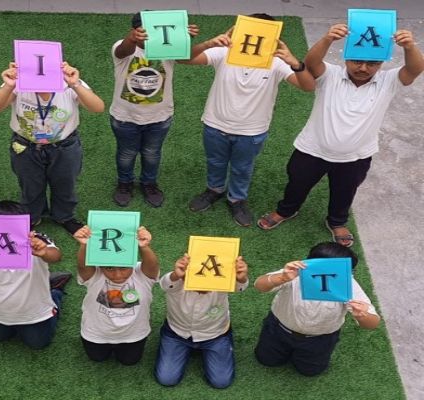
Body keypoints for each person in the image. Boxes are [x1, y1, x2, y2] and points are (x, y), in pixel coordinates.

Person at [257, 25, 424, 247]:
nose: (363, 68)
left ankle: (337, 221)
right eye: (356, 61)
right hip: (311, 149)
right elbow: (311, 63)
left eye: (372, 64)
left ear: (381, 64)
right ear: (346, 58)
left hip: (356, 157)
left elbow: (414, 69)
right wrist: (327, 39)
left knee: (345, 192)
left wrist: (409, 46)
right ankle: (286, 210)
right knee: (297, 183)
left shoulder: (388, 81)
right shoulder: (330, 74)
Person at [184, 15, 314, 227]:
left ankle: (237, 199)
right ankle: (214, 190)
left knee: (242, 168)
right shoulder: (223, 53)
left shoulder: (277, 63)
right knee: (215, 162)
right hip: (215, 125)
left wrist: (295, 63)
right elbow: (184, 59)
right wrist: (208, 43)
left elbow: (308, 86)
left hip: (252, 132)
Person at [0, 61, 105, 235]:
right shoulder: (18, 84)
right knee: (30, 185)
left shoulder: (68, 83)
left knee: (65, 184)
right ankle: (32, 216)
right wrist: (9, 86)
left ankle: (64, 216)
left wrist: (75, 84)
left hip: (65, 146)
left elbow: (98, 107)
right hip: (26, 147)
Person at [109, 13, 198, 207]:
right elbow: (123, 51)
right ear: (134, 31)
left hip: (160, 117)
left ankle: (149, 183)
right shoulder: (122, 46)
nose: (149, 35)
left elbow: (189, 58)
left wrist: (185, 40)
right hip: (125, 117)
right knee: (126, 153)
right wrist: (132, 39)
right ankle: (124, 183)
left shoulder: (169, 48)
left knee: (152, 153)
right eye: (143, 31)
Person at [253, 242, 381, 376]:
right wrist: (282, 277)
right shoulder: (294, 273)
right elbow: (259, 285)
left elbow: (373, 323)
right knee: (266, 359)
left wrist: (363, 316)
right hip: (277, 330)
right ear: (308, 263)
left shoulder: (348, 285)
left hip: (320, 339)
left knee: (310, 371)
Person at [0, 200, 72, 349]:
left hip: (35, 314)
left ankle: (55, 291)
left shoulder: (36, 241)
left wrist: (44, 252)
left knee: (38, 344)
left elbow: (56, 256)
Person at [154, 254, 249, 389]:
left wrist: (241, 277)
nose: (204, 284)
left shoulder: (222, 281)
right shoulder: (176, 281)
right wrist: (176, 275)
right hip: (177, 334)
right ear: (185, 275)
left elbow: (240, 286)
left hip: (215, 335)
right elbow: (166, 283)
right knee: (167, 379)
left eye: (208, 279)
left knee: (221, 382)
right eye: (198, 277)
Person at [73, 225, 159, 365]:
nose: (117, 275)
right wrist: (84, 245)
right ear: (100, 267)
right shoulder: (95, 275)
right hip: (96, 334)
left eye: (124, 267)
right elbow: (83, 267)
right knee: (97, 358)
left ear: (132, 263)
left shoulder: (142, 275)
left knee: (129, 361)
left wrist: (144, 247)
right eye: (109, 268)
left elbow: (153, 266)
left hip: (133, 335)